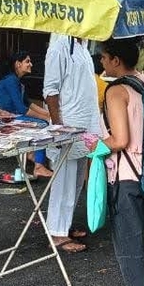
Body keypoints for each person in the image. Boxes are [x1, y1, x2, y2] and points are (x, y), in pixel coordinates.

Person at [96, 37, 144, 286]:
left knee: (129, 239)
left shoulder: (117, 91)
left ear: (115, 60)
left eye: (103, 57)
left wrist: (94, 145)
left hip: (127, 175)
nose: (101, 62)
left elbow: (120, 140)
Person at [44, 34, 103, 253]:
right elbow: (50, 90)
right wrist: (58, 127)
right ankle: (57, 232)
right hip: (68, 123)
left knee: (77, 179)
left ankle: (64, 225)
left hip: (85, 124)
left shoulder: (82, 46)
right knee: (64, 180)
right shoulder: (59, 46)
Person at [0, 50, 54, 179]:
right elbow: (22, 109)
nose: (31, 64)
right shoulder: (11, 81)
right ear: (18, 64)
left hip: (13, 117)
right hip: (4, 119)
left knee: (45, 121)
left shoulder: (17, 81)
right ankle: (39, 166)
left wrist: (49, 114)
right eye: (27, 61)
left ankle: (32, 155)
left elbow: (28, 103)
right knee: (42, 125)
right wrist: (45, 118)